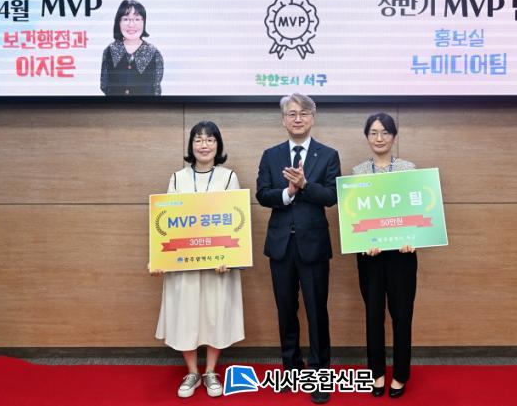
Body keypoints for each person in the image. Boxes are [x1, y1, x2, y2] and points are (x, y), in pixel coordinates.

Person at [256, 93, 340, 404]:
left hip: (313, 246)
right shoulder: (271, 155)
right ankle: (291, 369)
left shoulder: (328, 155)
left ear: (312, 118)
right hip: (281, 246)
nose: (298, 118)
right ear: (283, 120)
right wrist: (288, 193)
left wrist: (304, 186)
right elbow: (262, 194)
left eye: (304, 113)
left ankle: (319, 374)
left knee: (317, 311)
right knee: (286, 310)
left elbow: (331, 196)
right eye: (291, 113)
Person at [153, 121, 244, 398]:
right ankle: (192, 371)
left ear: (218, 144)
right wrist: (159, 258)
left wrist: (229, 257)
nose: (204, 145)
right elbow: (168, 221)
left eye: (210, 140)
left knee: (215, 314)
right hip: (185, 264)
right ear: (191, 145)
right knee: (186, 315)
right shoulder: (177, 178)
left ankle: (211, 371)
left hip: (218, 264)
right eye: (199, 140)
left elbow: (235, 221)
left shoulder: (228, 177)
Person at [353, 112, 418, 399]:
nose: (379, 138)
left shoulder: (408, 169)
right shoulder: (357, 173)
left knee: (402, 316)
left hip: (402, 256)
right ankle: (376, 372)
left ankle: (401, 374)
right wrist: (364, 242)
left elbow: (416, 212)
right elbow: (355, 217)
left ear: (393, 136)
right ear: (367, 137)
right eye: (373, 133)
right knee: (373, 316)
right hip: (371, 257)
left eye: (385, 132)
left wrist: (413, 239)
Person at [100, 0, 164, 95]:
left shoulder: (153, 53)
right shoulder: (110, 50)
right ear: (118, 22)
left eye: (137, 19)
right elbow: (104, 86)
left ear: (144, 22)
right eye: (126, 19)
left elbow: (156, 90)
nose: (131, 24)